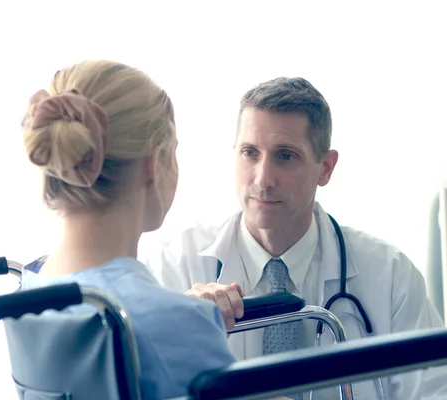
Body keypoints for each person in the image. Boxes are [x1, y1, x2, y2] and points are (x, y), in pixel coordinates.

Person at [140, 77, 447, 399]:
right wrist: (175, 329)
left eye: (285, 156)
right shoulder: (173, 269)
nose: (263, 179)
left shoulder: (390, 276)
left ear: (325, 168)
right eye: (250, 153)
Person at [16, 60, 238, 400]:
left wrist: (178, 322)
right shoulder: (168, 323)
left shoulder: (30, 291)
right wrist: (187, 326)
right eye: (174, 152)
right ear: (154, 162)